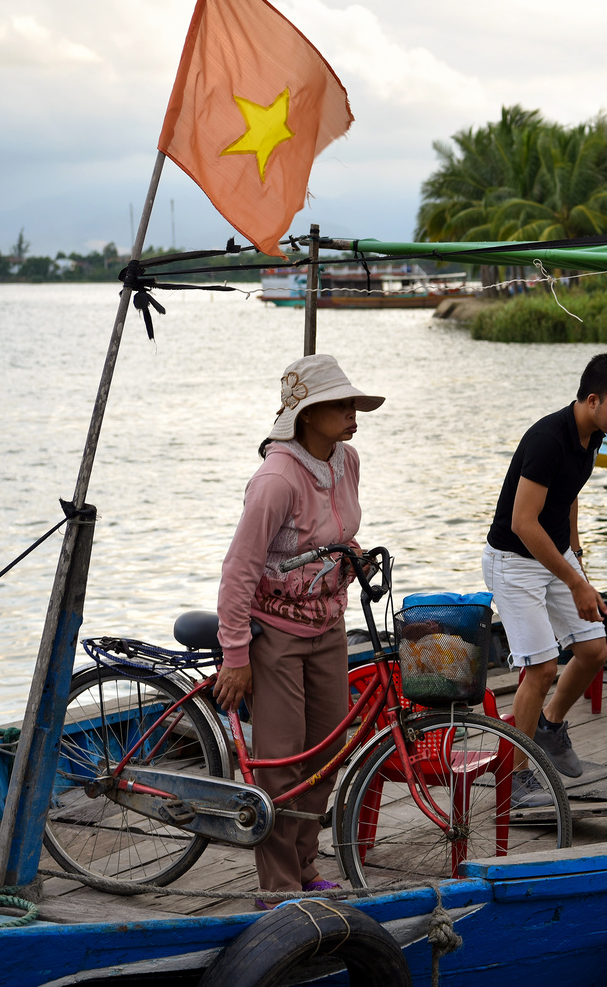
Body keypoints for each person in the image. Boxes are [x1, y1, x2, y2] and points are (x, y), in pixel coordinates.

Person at [215, 354, 384, 903]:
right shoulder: (276, 478)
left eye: (352, 403)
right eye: (339, 405)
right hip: (275, 634)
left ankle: (308, 866)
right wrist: (235, 653)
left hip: (330, 625)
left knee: (327, 752)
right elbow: (240, 569)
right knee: (281, 767)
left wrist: (354, 560)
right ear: (306, 414)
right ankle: (280, 886)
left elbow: (337, 533)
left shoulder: (346, 460)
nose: (351, 412)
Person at [484, 352, 607, 801]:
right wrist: (574, 581)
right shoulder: (547, 439)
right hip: (513, 561)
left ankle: (551, 727)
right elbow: (522, 522)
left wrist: (575, 554)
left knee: (594, 650)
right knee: (541, 668)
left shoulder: (592, 434)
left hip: (553, 554)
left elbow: (568, 493)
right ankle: (514, 779)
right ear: (592, 399)